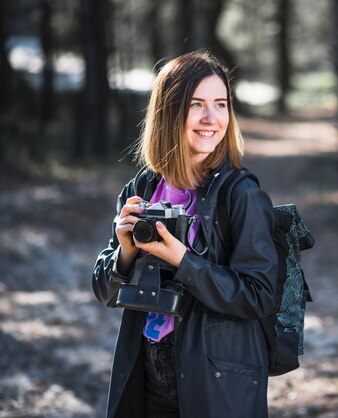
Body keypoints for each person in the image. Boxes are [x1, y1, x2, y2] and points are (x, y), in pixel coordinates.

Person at [92, 51, 278, 418]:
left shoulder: (241, 195)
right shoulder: (143, 187)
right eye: (197, 105)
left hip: (217, 385)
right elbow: (105, 292)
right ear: (169, 112)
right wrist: (125, 251)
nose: (212, 118)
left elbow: (258, 297)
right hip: (145, 380)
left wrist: (183, 261)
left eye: (221, 104)